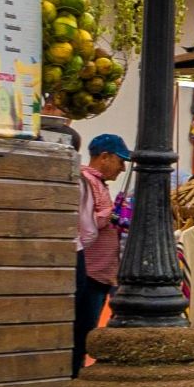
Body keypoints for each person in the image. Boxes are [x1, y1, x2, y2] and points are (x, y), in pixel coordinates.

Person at [74, 133, 129, 372]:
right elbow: (88, 224)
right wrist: (114, 214)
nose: (122, 168)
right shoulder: (87, 180)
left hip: (101, 272)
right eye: (120, 160)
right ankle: (73, 375)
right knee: (81, 329)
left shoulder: (98, 184)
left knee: (87, 328)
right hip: (91, 271)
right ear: (104, 157)